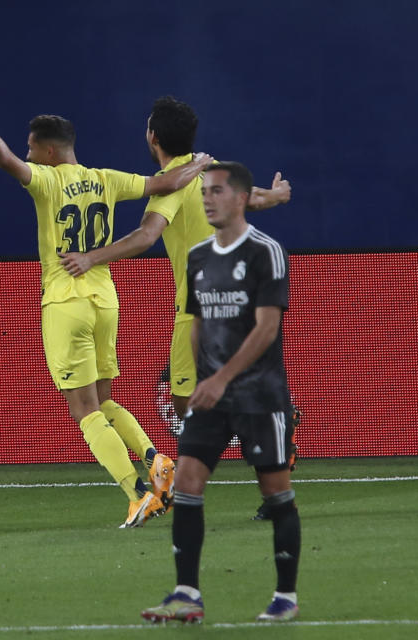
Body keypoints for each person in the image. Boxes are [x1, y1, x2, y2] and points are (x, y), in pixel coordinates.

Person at [0, 106, 212, 526]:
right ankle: (157, 462)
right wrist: (199, 164)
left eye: (32, 149)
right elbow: (169, 181)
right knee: (103, 400)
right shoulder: (107, 178)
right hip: (105, 301)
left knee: (83, 410)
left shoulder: (46, 180)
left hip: (65, 302)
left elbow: (4, 157)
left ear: (48, 151)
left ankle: (136, 493)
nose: (27, 156)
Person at [59, 96, 290, 426]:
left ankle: (263, 416)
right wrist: (278, 195)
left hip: (197, 303)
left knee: (183, 400)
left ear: (153, 136)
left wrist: (89, 258)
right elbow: (251, 199)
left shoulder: (172, 182)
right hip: (240, 293)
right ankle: (264, 412)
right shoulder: (213, 170)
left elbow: (146, 236)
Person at [140, 161, 301, 623]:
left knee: (276, 494)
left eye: (215, 191)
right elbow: (197, 324)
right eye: (204, 192)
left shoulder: (265, 252)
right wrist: (196, 377)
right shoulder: (198, 257)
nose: (206, 198)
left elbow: (268, 328)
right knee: (187, 484)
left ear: (241, 198)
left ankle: (285, 597)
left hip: (258, 395)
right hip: (211, 396)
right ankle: (186, 593)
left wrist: (222, 377)